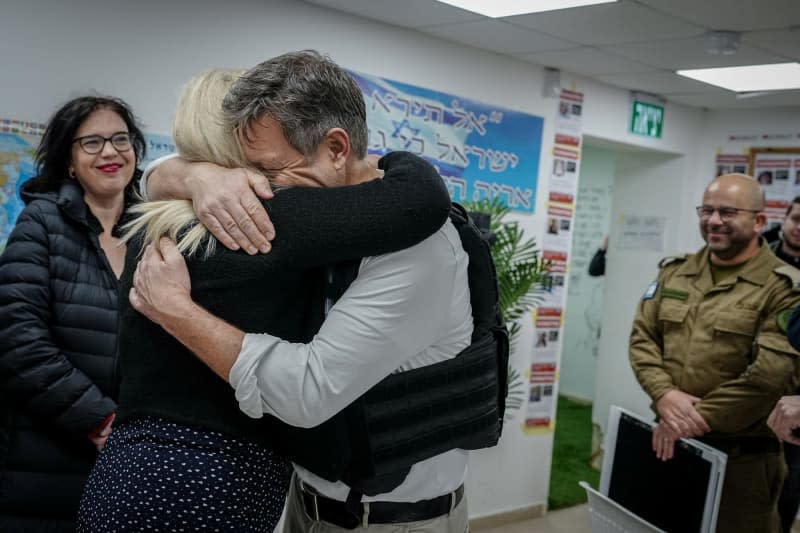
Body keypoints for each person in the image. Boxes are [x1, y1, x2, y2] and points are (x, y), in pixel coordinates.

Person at [129, 50, 503, 532]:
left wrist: (177, 311)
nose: (253, 188)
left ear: (336, 149)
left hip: (391, 521)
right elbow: (153, 175)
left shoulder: (419, 252)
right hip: (308, 503)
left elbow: (308, 390)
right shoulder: (328, 214)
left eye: (267, 171)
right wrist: (200, 175)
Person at [0, 96, 145, 531]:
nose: (110, 152)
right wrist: (100, 420)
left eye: (120, 139)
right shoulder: (40, 223)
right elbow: (16, 338)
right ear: (68, 161)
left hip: (127, 459)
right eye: (92, 142)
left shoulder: (151, 231)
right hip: (43, 458)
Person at [629, 173, 800, 533]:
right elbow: (643, 339)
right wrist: (664, 394)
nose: (714, 220)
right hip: (670, 446)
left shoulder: (783, 287)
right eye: (706, 210)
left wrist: (687, 420)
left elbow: (769, 376)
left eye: (727, 212)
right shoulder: (675, 272)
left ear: (758, 220)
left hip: (741, 461)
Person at [763, 197, 800, 532]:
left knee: (790, 487)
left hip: (796, 402)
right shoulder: (762, 260)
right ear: (784, 218)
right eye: (796, 218)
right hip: (760, 390)